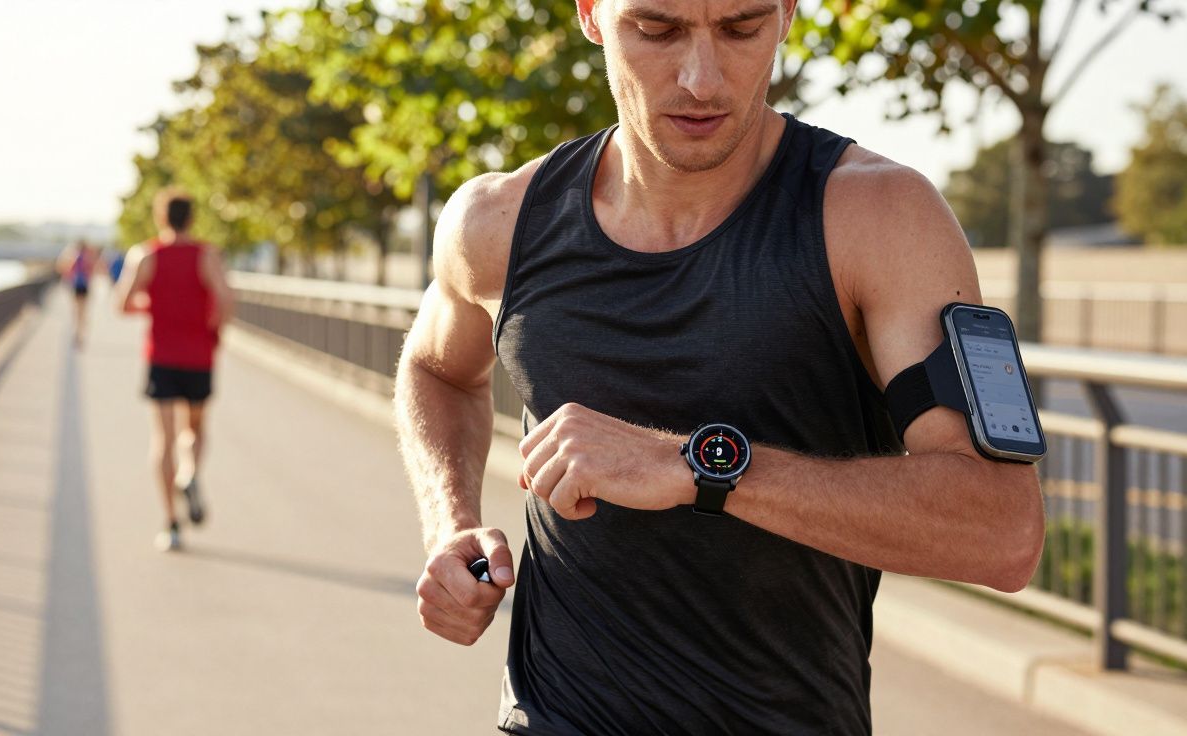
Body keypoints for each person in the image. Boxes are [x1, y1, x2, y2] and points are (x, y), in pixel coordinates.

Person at [394, 1, 1045, 733]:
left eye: (741, 28)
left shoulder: (881, 217)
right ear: (591, 14)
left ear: (788, 15)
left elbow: (1003, 531)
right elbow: (437, 369)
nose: (703, 80)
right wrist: (451, 523)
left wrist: (700, 468)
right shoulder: (498, 220)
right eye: (658, 29)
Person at [116, 189, 234, 552]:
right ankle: (190, 473)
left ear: (161, 218)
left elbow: (122, 303)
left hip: (161, 356)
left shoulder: (146, 255)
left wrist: (150, 306)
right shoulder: (207, 255)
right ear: (192, 218)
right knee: (195, 429)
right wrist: (213, 329)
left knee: (163, 439)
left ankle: (170, 524)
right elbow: (226, 299)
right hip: (199, 356)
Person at [57, 239, 100, 348]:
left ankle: (77, 332)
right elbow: (93, 271)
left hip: (76, 286)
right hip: (85, 286)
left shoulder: (74, 257)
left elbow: (65, 270)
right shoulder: (88, 257)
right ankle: (81, 333)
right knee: (83, 311)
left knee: (76, 310)